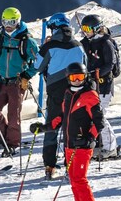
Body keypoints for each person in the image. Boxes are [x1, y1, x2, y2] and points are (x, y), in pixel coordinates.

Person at [30, 62, 106, 201]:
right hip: (69, 145)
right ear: (68, 78)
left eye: (80, 77)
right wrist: (43, 127)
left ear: (85, 77)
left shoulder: (90, 95)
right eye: (73, 77)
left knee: (80, 179)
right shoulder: (68, 94)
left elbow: (99, 123)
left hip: (82, 146)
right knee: (74, 180)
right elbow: (62, 118)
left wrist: (89, 138)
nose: (77, 81)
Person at [0, 7, 39, 156]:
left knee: (13, 115)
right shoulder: (1, 38)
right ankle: (2, 137)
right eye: (5, 21)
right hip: (2, 81)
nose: (8, 25)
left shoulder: (27, 40)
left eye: (11, 22)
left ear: (17, 21)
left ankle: (12, 143)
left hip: (17, 82)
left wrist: (27, 76)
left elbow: (38, 61)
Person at [34, 12, 87, 180]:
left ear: (54, 27)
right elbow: (86, 66)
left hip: (56, 93)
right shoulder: (78, 44)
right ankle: (70, 164)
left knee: (52, 127)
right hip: (75, 92)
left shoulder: (50, 46)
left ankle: (49, 165)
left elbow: (36, 65)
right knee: (71, 127)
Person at [80, 14, 119, 158]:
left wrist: (96, 74)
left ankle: (110, 147)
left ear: (96, 28)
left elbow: (110, 64)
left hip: (103, 86)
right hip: (90, 86)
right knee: (90, 116)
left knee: (100, 117)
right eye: (83, 28)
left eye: (87, 29)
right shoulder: (85, 42)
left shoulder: (105, 43)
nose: (85, 32)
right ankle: (97, 143)